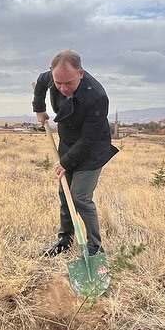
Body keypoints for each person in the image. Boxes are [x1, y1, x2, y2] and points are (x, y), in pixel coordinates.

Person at [32, 49, 118, 258]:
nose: (62, 88)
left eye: (68, 83)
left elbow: (89, 140)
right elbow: (41, 84)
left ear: (80, 73)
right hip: (68, 142)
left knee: (79, 197)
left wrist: (66, 162)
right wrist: (39, 109)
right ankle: (64, 240)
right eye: (58, 83)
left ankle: (95, 247)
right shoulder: (51, 78)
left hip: (92, 150)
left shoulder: (96, 96)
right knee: (65, 194)